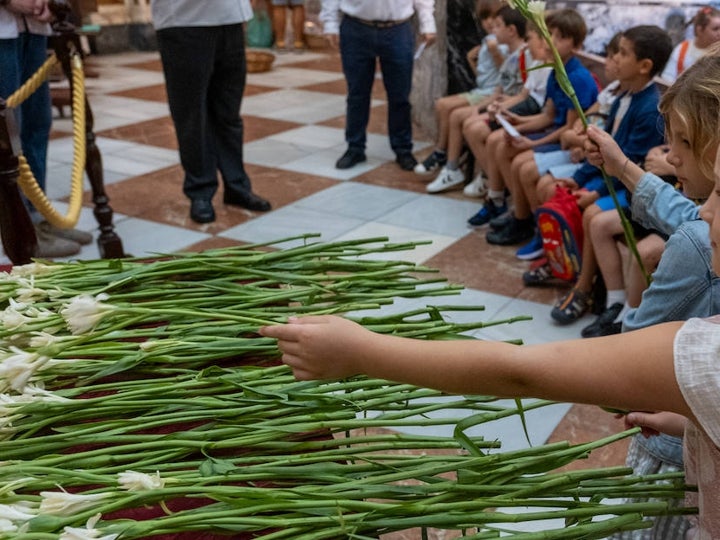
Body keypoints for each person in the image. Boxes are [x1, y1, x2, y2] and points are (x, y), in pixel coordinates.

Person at [259, 141, 720, 533]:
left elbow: (520, 373)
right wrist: (691, 423)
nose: (703, 211)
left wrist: (361, 351)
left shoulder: (710, 352)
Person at [482, 8, 599, 249]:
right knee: (505, 145)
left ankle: (540, 230)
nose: (550, 41)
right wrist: (516, 120)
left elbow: (567, 129)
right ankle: (520, 216)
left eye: (559, 37)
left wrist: (531, 143)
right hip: (555, 133)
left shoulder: (576, 76)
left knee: (523, 166)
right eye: (549, 34)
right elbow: (548, 115)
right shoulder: (555, 69)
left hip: (567, 142)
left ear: (575, 45)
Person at [151, 0, 272, 224]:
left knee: (229, 113)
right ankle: (200, 190)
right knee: (192, 115)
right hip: (185, 21)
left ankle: (236, 185)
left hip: (231, 20)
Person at [0, 0, 93, 257]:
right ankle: (21, 228)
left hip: (34, 26)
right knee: (9, 134)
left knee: (36, 125)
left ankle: (38, 216)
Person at [319, 0, 436, 172]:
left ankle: (403, 149)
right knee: (357, 93)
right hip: (356, 27)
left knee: (400, 96)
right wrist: (330, 23)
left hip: (398, 29)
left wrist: (428, 23)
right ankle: (355, 147)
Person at [423, 5, 529, 194]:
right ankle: (455, 166)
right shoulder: (510, 55)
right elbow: (500, 89)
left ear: (511, 30)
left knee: (466, 121)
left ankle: (494, 183)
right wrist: (480, 108)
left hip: (512, 108)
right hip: (497, 101)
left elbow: (520, 94)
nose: (491, 29)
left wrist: (492, 107)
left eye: (497, 25)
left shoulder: (521, 56)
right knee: (453, 111)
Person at [413, 0, 507, 178]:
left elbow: (507, 72)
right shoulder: (488, 41)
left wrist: (495, 53)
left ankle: (445, 156)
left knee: (452, 111)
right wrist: (472, 61)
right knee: (442, 104)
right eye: (484, 18)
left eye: (493, 18)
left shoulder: (499, 43)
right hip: (482, 90)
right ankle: (443, 153)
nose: (488, 23)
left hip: (492, 93)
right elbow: (483, 75)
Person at [660, 5, 720, 83]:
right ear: (699, 30)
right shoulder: (682, 49)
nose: (719, 33)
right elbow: (667, 79)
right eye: (715, 29)